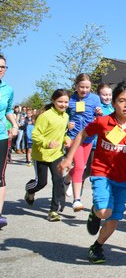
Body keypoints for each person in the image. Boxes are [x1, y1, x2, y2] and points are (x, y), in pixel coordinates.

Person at [59, 81, 126, 263]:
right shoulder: (103, 122)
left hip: (124, 179)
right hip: (102, 173)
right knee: (103, 212)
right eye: (121, 101)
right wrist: (69, 159)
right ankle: (95, 211)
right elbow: (82, 134)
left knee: (113, 221)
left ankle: (97, 247)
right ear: (114, 103)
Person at [24, 90, 70, 221]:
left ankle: (53, 211)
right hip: (41, 155)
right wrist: (47, 143)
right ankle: (29, 190)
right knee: (41, 182)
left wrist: (66, 139)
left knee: (58, 180)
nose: (63, 105)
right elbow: (35, 135)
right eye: (60, 101)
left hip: (56, 154)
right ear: (53, 101)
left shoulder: (65, 116)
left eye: (66, 102)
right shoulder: (46, 116)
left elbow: (61, 133)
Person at [66, 73, 102, 212]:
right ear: (76, 86)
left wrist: (99, 113)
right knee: (80, 167)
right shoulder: (70, 99)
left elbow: (99, 117)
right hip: (74, 137)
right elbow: (64, 115)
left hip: (88, 137)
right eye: (82, 87)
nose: (84, 90)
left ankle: (66, 180)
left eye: (87, 87)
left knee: (82, 167)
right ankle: (77, 200)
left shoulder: (95, 99)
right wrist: (67, 124)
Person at [0, 55, 20, 229]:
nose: (1, 69)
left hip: (1, 136)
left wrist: (14, 124)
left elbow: (8, 110)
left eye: (3, 67)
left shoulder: (8, 90)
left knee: (0, 175)